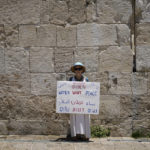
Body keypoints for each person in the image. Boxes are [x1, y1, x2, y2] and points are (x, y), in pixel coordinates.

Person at [68, 62, 90, 141]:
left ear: (82, 70)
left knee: (85, 118)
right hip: (74, 102)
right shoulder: (71, 79)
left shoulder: (86, 79)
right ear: (74, 70)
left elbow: (89, 90)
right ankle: (74, 135)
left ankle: (85, 135)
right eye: (76, 69)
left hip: (83, 103)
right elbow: (68, 89)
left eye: (79, 69)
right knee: (74, 118)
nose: (78, 70)